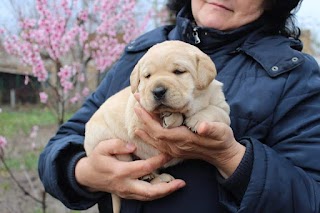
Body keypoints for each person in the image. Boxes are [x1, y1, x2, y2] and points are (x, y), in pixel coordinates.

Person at [38, 0, 320, 212]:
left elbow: (311, 198)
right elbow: (61, 145)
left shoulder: (292, 74)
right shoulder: (142, 51)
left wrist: (230, 157)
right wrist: (88, 172)